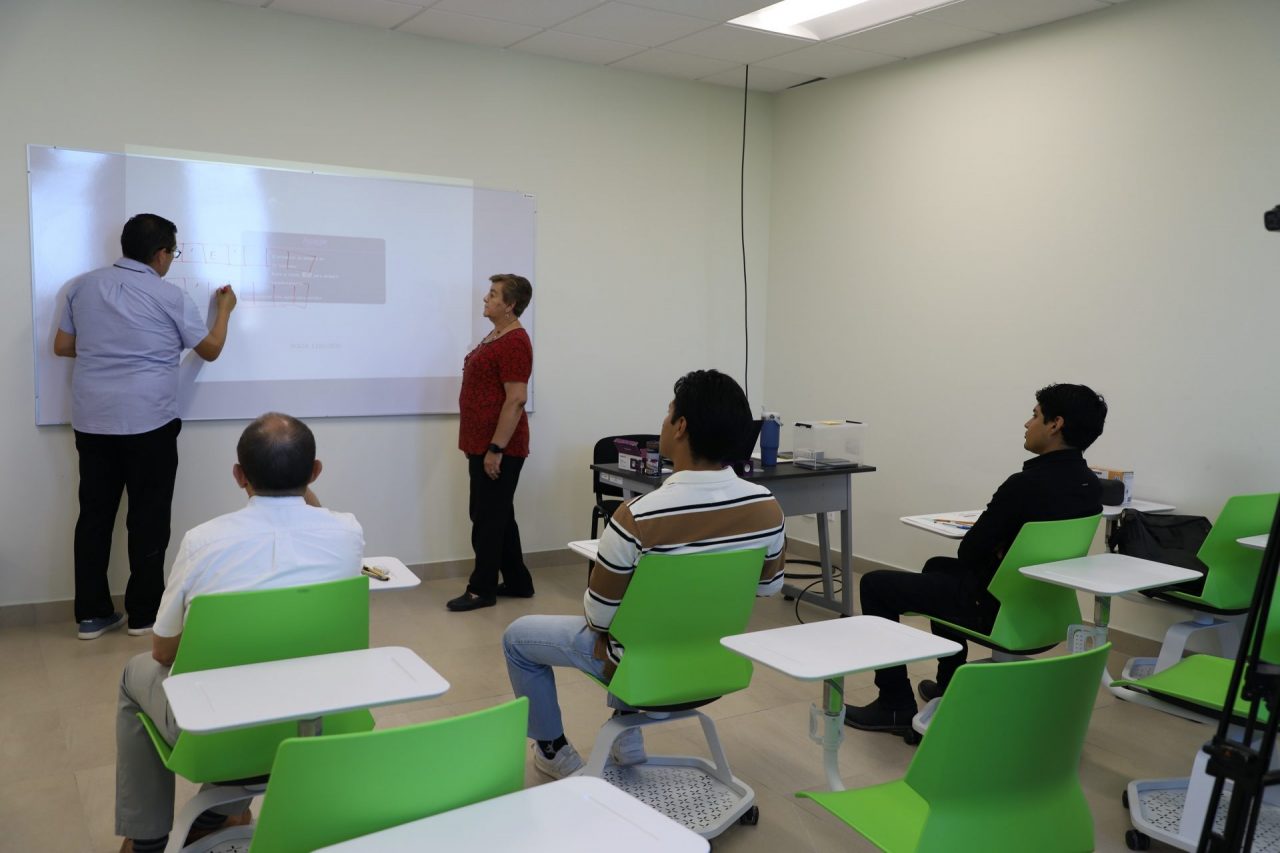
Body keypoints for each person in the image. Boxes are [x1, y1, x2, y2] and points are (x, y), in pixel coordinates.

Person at [502, 369, 788, 778]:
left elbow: (599, 617)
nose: (664, 423)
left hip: (641, 669)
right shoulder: (767, 507)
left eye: (668, 413)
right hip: (718, 664)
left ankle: (552, 750)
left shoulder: (637, 515)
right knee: (650, 622)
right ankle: (627, 734)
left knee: (518, 638)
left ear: (681, 426)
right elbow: (769, 588)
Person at [114, 413, 363, 853]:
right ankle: (215, 815)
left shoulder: (203, 541)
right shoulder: (347, 532)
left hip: (217, 733)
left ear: (238, 475)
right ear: (315, 472)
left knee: (135, 674)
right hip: (322, 720)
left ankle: (149, 841)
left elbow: (163, 651)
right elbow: (316, 516)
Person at [845, 383, 1108, 735]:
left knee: (875, 584)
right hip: (1046, 608)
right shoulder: (1091, 485)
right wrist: (1000, 546)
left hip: (995, 609)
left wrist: (996, 544)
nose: (1027, 424)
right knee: (937, 567)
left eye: (1034, 416)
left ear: (1055, 424)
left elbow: (969, 550)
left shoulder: (1024, 485)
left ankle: (894, 705)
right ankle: (950, 683)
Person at [54, 213, 237, 640]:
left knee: (94, 516)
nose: (171, 259)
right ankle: (143, 615)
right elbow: (210, 349)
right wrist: (224, 311)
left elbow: (62, 345)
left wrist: (106, 345)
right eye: (173, 252)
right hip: (149, 422)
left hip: (93, 422)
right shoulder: (169, 296)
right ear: (159, 254)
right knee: (149, 518)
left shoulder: (82, 286)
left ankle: (92, 615)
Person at [448, 274, 536, 612]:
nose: (486, 298)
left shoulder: (515, 342)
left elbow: (516, 399)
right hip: (482, 443)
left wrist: (496, 449)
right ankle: (518, 582)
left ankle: (481, 589)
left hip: (500, 447)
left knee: (486, 516)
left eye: (494, 294)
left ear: (510, 304)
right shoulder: (497, 335)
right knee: (498, 514)